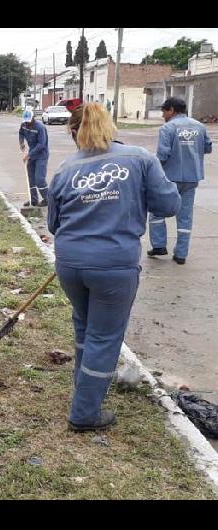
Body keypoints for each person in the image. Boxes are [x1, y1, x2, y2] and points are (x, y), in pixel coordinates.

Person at [47, 103, 180, 432]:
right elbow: (169, 204)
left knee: (85, 325)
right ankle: (84, 413)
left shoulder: (65, 170)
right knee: (104, 336)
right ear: (111, 126)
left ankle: (84, 388)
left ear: (73, 132)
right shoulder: (139, 159)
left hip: (70, 263)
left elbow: (53, 223)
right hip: (113, 265)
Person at [147, 97, 213, 265]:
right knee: (185, 216)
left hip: (170, 178)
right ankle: (181, 254)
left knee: (157, 211)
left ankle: (159, 245)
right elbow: (208, 148)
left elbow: (163, 155)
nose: (163, 115)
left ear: (171, 110)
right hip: (192, 177)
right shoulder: (200, 126)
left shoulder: (168, 128)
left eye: (164, 111)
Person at [18, 108, 50, 207]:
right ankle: (33, 200)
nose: (27, 123)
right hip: (31, 155)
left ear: (33, 118)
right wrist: (22, 142)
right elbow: (21, 133)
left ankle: (47, 199)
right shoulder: (23, 125)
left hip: (41, 156)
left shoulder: (40, 127)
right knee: (30, 179)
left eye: (28, 121)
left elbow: (42, 144)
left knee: (39, 179)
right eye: (25, 121)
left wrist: (29, 155)